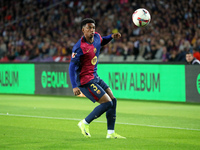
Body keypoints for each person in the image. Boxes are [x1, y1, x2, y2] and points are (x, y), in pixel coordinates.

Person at [69, 18, 126, 139]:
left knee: (113, 100)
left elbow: (102, 40)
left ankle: (110, 133)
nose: (92, 30)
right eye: (89, 28)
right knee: (107, 103)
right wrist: (74, 86)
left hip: (95, 77)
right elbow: (71, 67)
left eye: (93, 27)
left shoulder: (96, 37)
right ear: (83, 30)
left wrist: (111, 36)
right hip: (85, 81)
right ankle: (84, 123)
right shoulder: (79, 47)